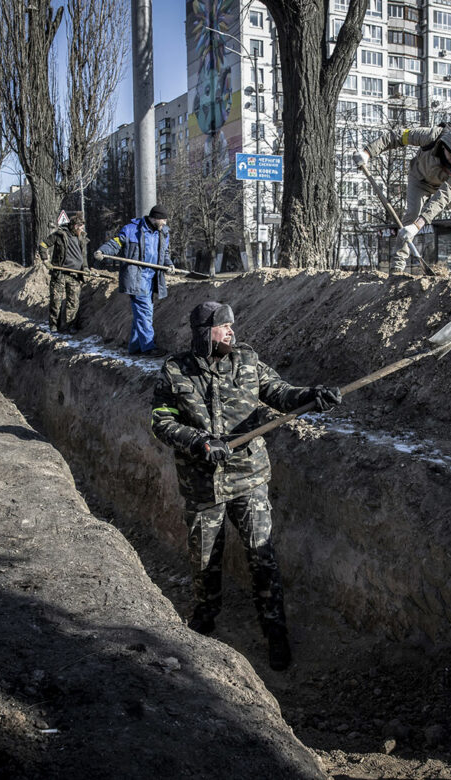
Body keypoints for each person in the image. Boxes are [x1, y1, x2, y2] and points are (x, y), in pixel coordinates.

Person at [150, 301, 343, 671]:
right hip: (202, 484)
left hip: (248, 476)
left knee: (262, 556)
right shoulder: (175, 371)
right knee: (205, 561)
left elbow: (280, 392)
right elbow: (161, 421)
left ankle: (275, 633)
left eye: (232, 326)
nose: (232, 333)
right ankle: (203, 624)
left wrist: (311, 395)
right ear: (205, 333)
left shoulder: (247, 360)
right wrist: (199, 442)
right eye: (224, 328)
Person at [354, 123, 451, 275]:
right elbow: (396, 136)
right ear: (443, 145)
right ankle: (397, 266)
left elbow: (443, 197)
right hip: (420, 179)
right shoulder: (431, 136)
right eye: (450, 153)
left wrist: (418, 226)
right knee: (412, 213)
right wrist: (368, 152)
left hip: (445, 186)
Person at [94, 204, 174, 357]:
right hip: (136, 277)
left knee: (141, 313)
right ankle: (148, 347)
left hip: (152, 278)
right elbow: (116, 243)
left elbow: (165, 252)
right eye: (162, 220)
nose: (164, 223)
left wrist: (169, 264)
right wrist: (102, 251)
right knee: (145, 312)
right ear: (154, 218)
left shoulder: (163, 232)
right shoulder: (132, 229)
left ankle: (135, 347)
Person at [39, 213, 89, 333]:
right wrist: (45, 260)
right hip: (60, 274)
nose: (82, 229)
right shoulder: (60, 235)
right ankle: (54, 325)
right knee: (56, 300)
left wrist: (85, 268)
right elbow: (43, 245)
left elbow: (83, 256)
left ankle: (70, 326)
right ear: (75, 226)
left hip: (75, 275)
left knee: (73, 302)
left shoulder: (81, 237)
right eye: (81, 226)